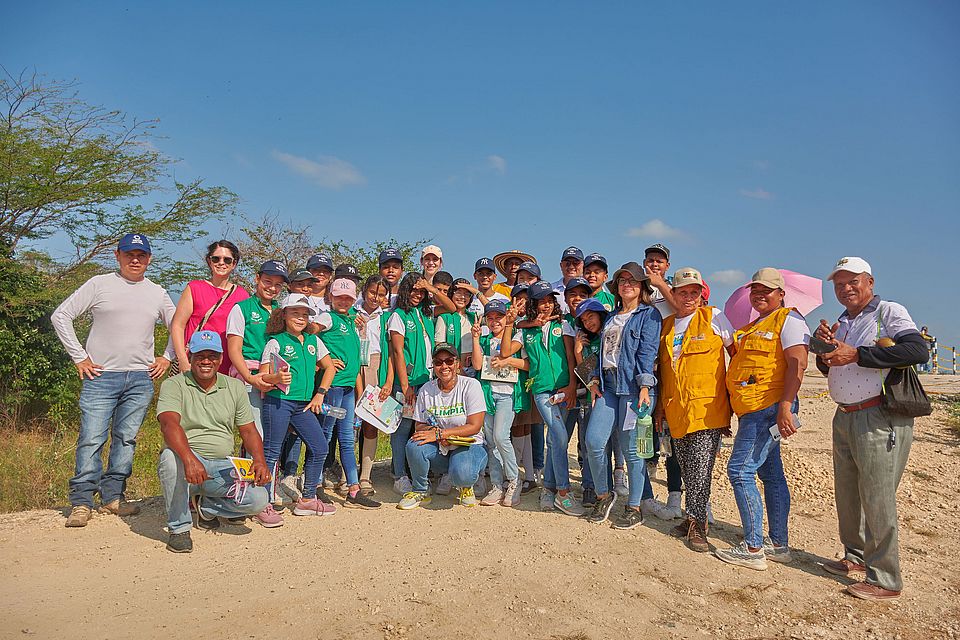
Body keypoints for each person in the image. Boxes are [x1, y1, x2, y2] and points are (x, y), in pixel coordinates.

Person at [814, 257, 928, 601]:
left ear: (870, 282)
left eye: (853, 282)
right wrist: (825, 350)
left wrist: (856, 354)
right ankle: (855, 557)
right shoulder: (843, 321)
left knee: (877, 497)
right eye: (839, 284)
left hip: (878, 416)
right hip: (845, 415)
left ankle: (885, 579)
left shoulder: (888, 312)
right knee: (848, 493)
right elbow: (836, 366)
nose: (845, 288)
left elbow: (916, 350)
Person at [51, 233, 176, 527]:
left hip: (140, 379)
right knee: (92, 438)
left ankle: (113, 497)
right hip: (101, 376)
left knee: (126, 439)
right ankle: (82, 501)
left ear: (149, 259)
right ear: (117, 256)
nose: (135, 260)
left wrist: (167, 357)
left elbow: (178, 325)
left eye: (141, 255)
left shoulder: (157, 292)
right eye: (129, 254)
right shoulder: (99, 284)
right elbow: (61, 316)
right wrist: (79, 357)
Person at [714, 268, 810, 570]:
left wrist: (785, 405)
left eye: (767, 289)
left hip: (768, 409)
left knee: (739, 470)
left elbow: (798, 363)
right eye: (755, 289)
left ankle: (753, 547)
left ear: (781, 293)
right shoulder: (753, 325)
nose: (760, 294)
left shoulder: (789, 320)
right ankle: (778, 544)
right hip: (751, 410)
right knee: (770, 473)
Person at [156, 331, 271, 553]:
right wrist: (189, 459)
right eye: (200, 355)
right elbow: (169, 424)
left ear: (220, 358)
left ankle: (206, 506)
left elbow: (248, 430)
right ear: (190, 357)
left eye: (212, 355)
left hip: (221, 465)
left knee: (259, 498)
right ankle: (179, 528)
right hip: (187, 463)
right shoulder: (174, 384)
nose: (206, 361)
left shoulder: (234, 387)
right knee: (170, 458)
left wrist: (259, 460)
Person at [653, 268, 734, 552]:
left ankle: (699, 526)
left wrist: (735, 399)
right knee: (687, 468)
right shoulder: (667, 326)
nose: (689, 297)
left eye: (694, 292)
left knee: (701, 469)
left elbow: (735, 355)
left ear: (701, 295)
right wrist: (660, 408)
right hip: (676, 409)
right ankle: (689, 518)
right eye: (683, 292)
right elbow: (665, 371)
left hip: (708, 408)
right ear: (673, 294)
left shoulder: (714, 317)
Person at [583, 262, 662, 530]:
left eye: (633, 281)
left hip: (633, 388)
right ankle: (604, 496)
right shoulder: (611, 317)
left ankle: (634, 507)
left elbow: (648, 352)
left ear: (642, 287)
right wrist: (593, 380)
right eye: (622, 281)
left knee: (632, 450)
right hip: (608, 386)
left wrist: (644, 387)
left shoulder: (649, 315)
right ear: (616, 287)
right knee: (593, 441)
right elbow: (605, 353)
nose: (627, 284)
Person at [256, 294, 342, 527]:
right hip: (279, 401)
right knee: (272, 453)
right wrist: (276, 377)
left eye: (304, 314)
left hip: (303, 405)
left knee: (320, 447)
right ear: (283, 315)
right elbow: (264, 376)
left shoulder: (314, 341)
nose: (300, 318)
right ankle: (263, 503)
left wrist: (320, 393)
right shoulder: (276, 342)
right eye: (295, 313)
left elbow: (330, 368)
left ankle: (307, 499)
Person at [502, 281, 581, 516]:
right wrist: (509, 323)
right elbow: (505, 353)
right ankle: (564, 493)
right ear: (534, 305)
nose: (546, 305)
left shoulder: (563, 325)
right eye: (541, 301)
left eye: (549, 301)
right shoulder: (525, 331)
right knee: (559, 435)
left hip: (564, 389)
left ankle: (548, 490)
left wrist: (571, 386)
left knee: (556, 441)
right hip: (541, 390)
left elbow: (570, 357)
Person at [383, 273, 454, 493]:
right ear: (405, 291)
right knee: (402, 428)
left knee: (424, 426)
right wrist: (405, 386)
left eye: (420, 291)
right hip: (408, 383)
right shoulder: (398, 315)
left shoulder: (425, 313)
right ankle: (399, 475)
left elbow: (451, 308)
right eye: (413, 290)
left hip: (427, 381)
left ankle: (420, 472)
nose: (417, 294)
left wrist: (431, 288)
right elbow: (397, 352)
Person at [314, 278, 381, 509]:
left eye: (348, 298)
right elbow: (309, 332)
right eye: (339, 297)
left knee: (346, 438)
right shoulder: (327, 317)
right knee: (324, 435)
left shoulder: (351, 319)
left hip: (348, 389)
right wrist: (323, 360)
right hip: (332, 387)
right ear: (330, 297)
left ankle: (353, 489)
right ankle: (315, 484)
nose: (343, 301)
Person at [398, 343, 488, 510]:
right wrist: (437, 434)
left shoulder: (471, 385)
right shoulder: (426, 389)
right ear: (433, 366)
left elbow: (475, 426)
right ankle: (420, 490)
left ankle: (465, 485)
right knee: (414, 444)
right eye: (438, 362)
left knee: (463, 474)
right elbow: (419, 425)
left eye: (449, 361)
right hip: (441, 448)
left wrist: (441, 434)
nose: (444, 366)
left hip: (468, 445)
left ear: (457, 364)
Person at [472, 300, 529, 507]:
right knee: (491, 441)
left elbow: (527, 364)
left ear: (507, 318)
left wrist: (507, 361)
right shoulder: (485, 339)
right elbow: (478, 365)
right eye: (491, 317)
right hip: (487, 394)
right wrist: (476, 339)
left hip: (507, 395)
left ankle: (514, 480)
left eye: (499, 317)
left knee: (501, 436)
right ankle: (496, 485)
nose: (494, 321)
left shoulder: (517, 337)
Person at [225, 260, 289, 436]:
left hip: (276, 380)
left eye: (278, 285)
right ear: (257, 278)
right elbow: (234, 350)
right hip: (250, 378)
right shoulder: (242, 308)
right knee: (255, 433)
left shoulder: (283, 311)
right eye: (268, 282)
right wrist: (249, 378)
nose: (272, 288)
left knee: (274, 433)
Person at [171, 240, 250, 374]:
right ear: (209, 261)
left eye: (227, 260)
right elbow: (178, 326)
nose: (221, 263)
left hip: (226, 367)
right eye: (216, 258)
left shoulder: (242, 295)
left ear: (234, 264)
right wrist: (183, 360)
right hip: (195, 362)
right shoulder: (195, 288)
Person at [572, 298, 610, 508]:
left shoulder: (608, 336)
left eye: (591, 316)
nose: (588, 323)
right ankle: (590, 487)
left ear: (601, 314)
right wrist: (578, 352)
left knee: (609, 447)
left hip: (613, 397)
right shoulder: (586, 342)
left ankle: (609, 486)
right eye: (584, 320)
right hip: (590, 399)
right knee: (589, 446)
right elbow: (585, 374)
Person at [355, 275, 391, 494]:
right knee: (349, 423)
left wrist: (387, 380)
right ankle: (347, 475)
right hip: (352, 366)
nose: (375, 298)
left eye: (381, 295)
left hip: (375, 367)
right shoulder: (352, 312)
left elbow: (389, 352)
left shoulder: (385, 317)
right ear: (364, 291)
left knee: (370, 421)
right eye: (372, 293)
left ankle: (365, 475)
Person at [435, 278, 476, 369]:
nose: (462, 297)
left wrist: (477, 292)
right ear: (451, 294)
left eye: (467, 294)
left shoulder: (474, 318)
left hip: (474, 370)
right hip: (452, 370)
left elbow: (498, 315)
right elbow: (439, 348)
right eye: (458, 292)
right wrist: (458, 370)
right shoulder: (444, 317)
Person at [642, 243, 678, 318]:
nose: (655, 264)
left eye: (659, 261)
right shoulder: (636, 287)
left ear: (667, 266)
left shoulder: (674, 287)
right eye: (651, 260)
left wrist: (660, 283)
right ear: (644, 263)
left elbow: (680, 309)